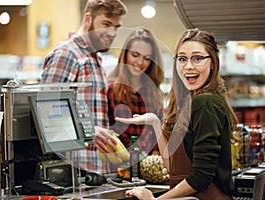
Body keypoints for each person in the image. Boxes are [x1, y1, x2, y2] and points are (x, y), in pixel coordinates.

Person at [116, 28, 238, 199]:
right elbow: (174, 168)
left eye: (197, 58)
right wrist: (155, 124)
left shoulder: (206, 104)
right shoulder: (187, 102)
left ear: (212, 62)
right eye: (182, 59)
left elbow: (201, 177)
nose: (188, 66)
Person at [40, 0, 127, 173]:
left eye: (116, 27)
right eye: (106, 24)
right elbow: (45, 112)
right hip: (71, 173)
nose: (112, 33)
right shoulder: (66, 54)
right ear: (88, 19)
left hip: (92, 172)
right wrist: (88, 131)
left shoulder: (94, 58)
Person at [107, 27, 165, 157]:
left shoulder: (153, 92)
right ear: (125, 54)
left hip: (150, 165)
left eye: (147, 58)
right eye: (135, 55)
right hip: (119, 166)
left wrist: (155, 156)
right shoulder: (110, 90)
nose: (140, 62)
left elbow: (160, 129)